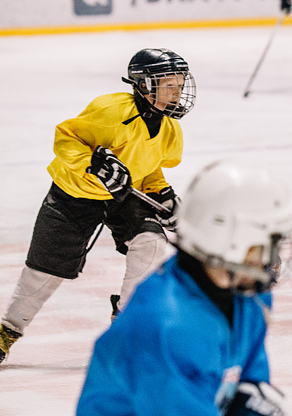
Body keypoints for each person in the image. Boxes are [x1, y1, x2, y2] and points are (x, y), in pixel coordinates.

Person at [57, 159, 292, 416]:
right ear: (231, 239)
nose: (273, 258)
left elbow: (246, 369)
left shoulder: (249, 298)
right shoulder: (162, 323)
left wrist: (252, 400)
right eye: (266, 243)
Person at [0, 48, 195, 365]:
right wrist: (93, 162)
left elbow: (148, 167)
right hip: (75, 193)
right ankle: (7, 330)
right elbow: (66, 138)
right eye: (169, 85)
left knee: (151, 243)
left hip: (122, 196)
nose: (177, 92)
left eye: (180, 84)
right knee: (45, 270)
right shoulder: (110, 111)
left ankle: (126, 326)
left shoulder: (170, 130)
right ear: (145, 85)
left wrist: (162, 195)